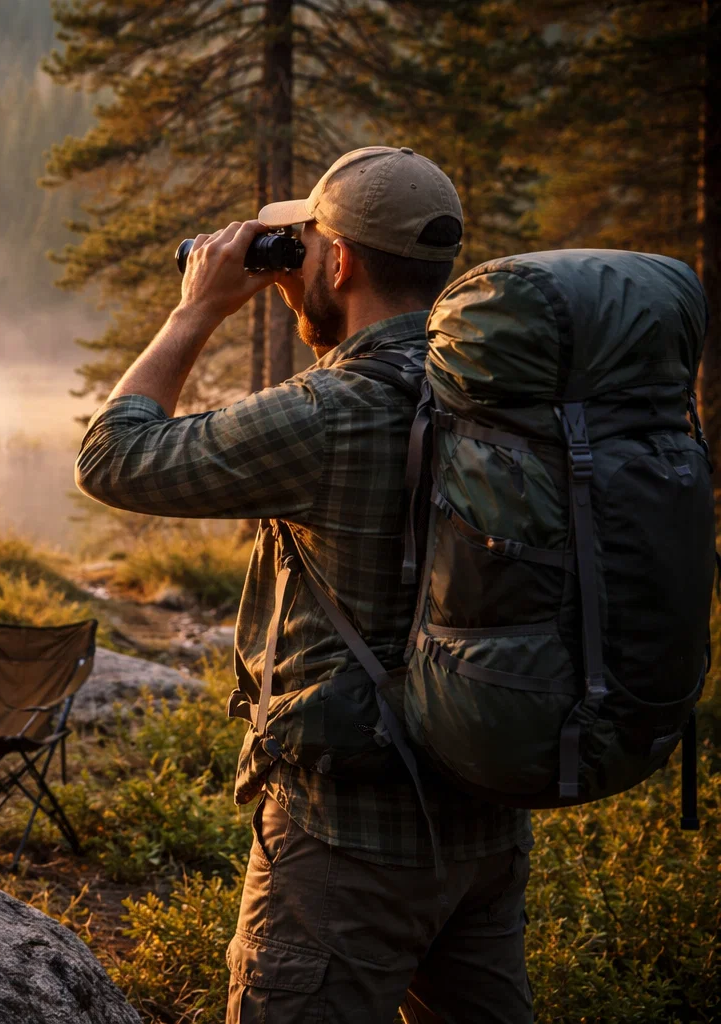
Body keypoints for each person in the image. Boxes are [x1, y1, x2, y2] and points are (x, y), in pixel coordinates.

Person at [74, 146, 534, 1024]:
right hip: (486, 819)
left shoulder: (332, 412)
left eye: (307, 245)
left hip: (344, 843)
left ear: (339, 261)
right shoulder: (502, 395)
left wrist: (197, 309)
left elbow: (111, 456)